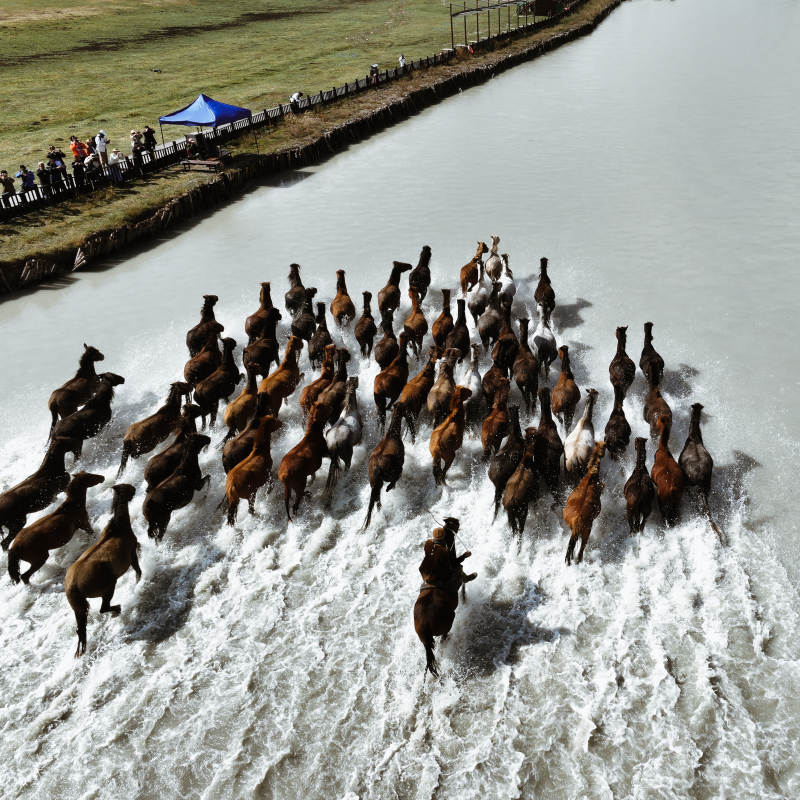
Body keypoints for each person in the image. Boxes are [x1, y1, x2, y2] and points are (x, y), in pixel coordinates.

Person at [418, 517, 476, 595]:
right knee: (456, 568)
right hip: (440, 576)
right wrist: (464, 556)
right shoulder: (446, 546)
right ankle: (465, 578)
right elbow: (453, 563)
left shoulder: (429, 543)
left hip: (427, 574)